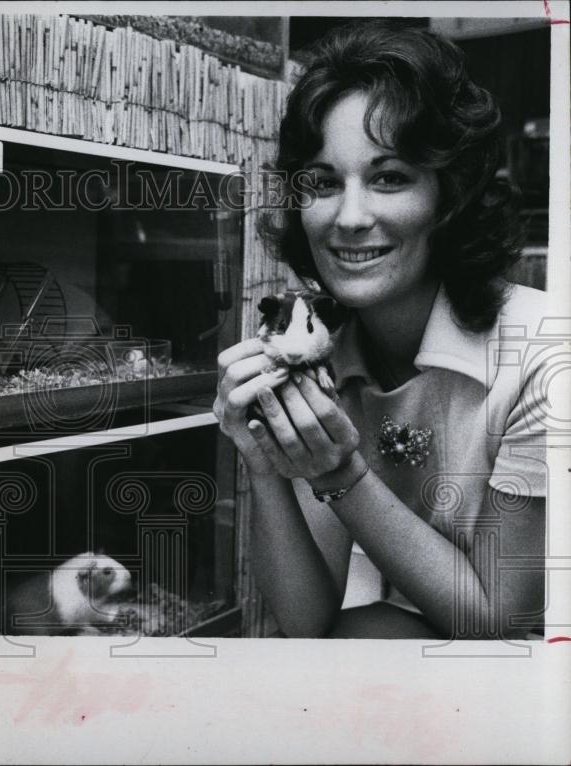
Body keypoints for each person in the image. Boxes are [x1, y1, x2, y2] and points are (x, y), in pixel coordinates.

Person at [214, 21, 548, 639]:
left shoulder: (544, 352)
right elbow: (307, 620)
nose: (349, 217)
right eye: (322, 182)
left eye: (389, 177)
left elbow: (503, 625)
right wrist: (263, 462)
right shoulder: (324, 356)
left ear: (450, 198)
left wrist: (343, 475)